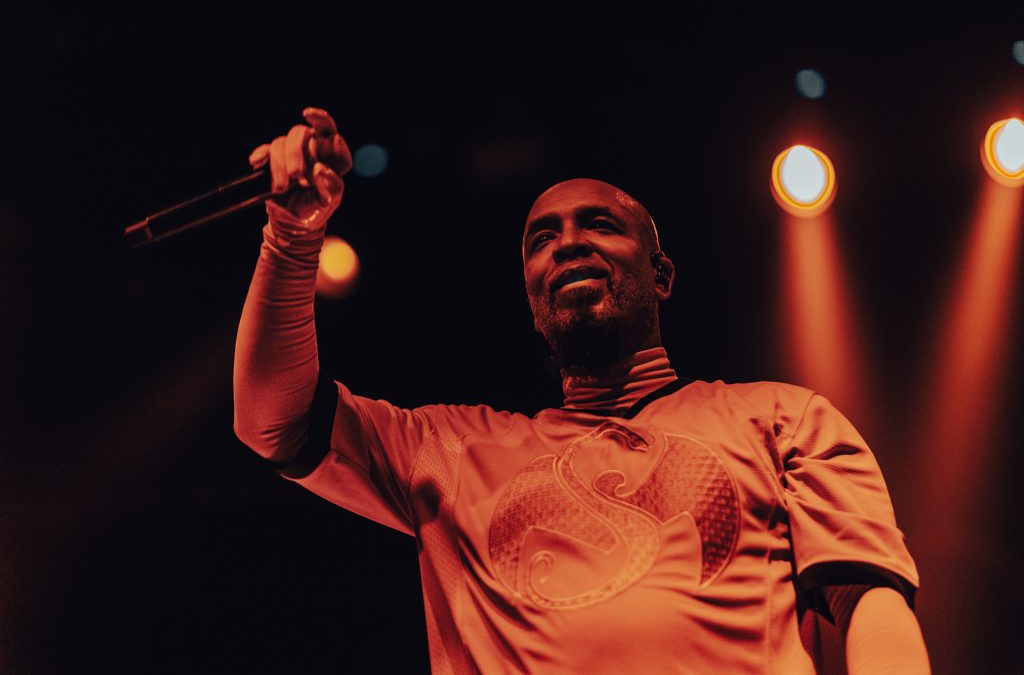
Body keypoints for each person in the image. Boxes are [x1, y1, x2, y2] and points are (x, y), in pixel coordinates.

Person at [234, 108, 930, 674]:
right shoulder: (450, 451)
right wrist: (291, 238)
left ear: (661, 275)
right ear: (533, 298)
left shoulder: (781, 417)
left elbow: (869, 601)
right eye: (542, 239)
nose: (567, 243)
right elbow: (274, 422)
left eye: (599, 225)